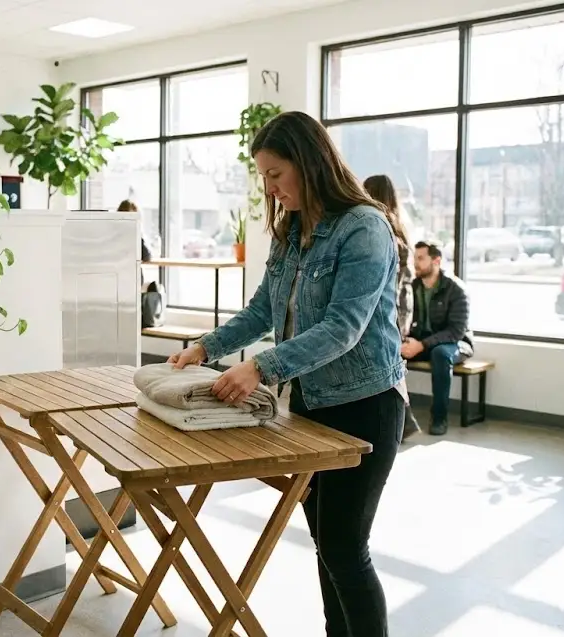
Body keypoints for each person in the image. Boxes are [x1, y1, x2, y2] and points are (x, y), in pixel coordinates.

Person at [169, 110, 405, 637]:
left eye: (276, 174)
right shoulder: (292, 229)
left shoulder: (364, 228)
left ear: (311, 162)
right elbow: (262, 311)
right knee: (326, 543)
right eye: (263, 177)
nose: (270, 189)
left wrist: (261, 366)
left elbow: (344, 328)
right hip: (312, 403)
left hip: (367, 404)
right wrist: (206, 347)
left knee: (345, 546)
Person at [363, 174, 422, 441]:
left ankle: (401, 420)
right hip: (402, 309)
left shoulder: (376, 230)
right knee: (391, 363)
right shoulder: (401, 232)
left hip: (386, 310)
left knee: (387, 365)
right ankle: (404, 420)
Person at [401, 240, 473, 436]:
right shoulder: (413, 286)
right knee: (390, 352)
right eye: (415, 258)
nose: (416, 263)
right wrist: (404, 342)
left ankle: (439, 418)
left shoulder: (456, 289)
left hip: (455, 344)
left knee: (441, 354)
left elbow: (456, 332)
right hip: (421, 342)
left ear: (436, 260)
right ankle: (401, 418)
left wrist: (421, 345)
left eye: (421, 258)